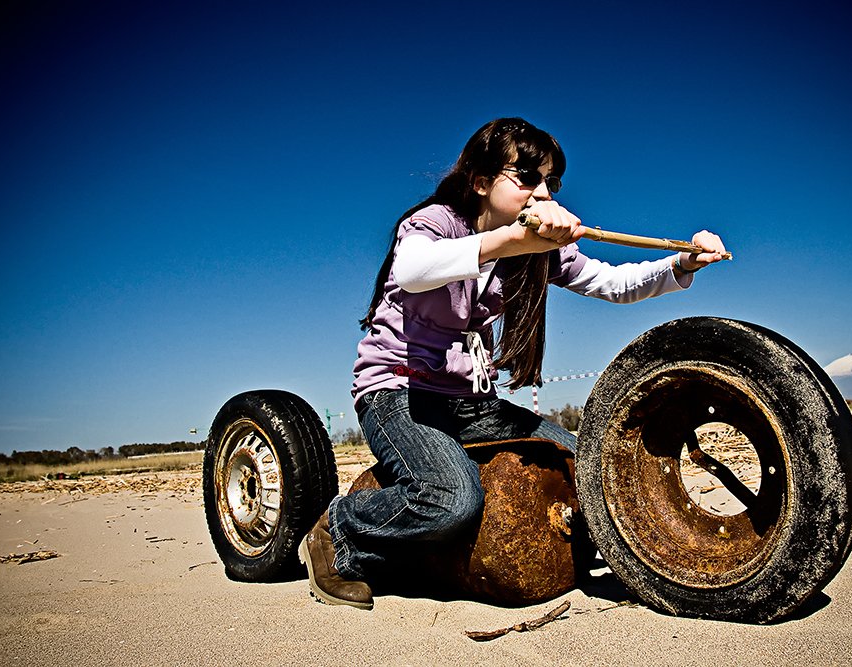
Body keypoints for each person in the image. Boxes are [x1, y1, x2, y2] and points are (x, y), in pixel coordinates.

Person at [298, 117, 726, 609]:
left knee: (589, 465)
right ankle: (339, 531)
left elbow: (614, 282)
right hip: (398, 395)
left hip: (472, 402)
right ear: (481, 182)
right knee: (449, 502)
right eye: (526, 177)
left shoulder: (540, 250)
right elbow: (412, 271)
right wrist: (512, 241)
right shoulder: (436, 224)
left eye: (551, 182)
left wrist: (683, 262)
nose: (542, 192)